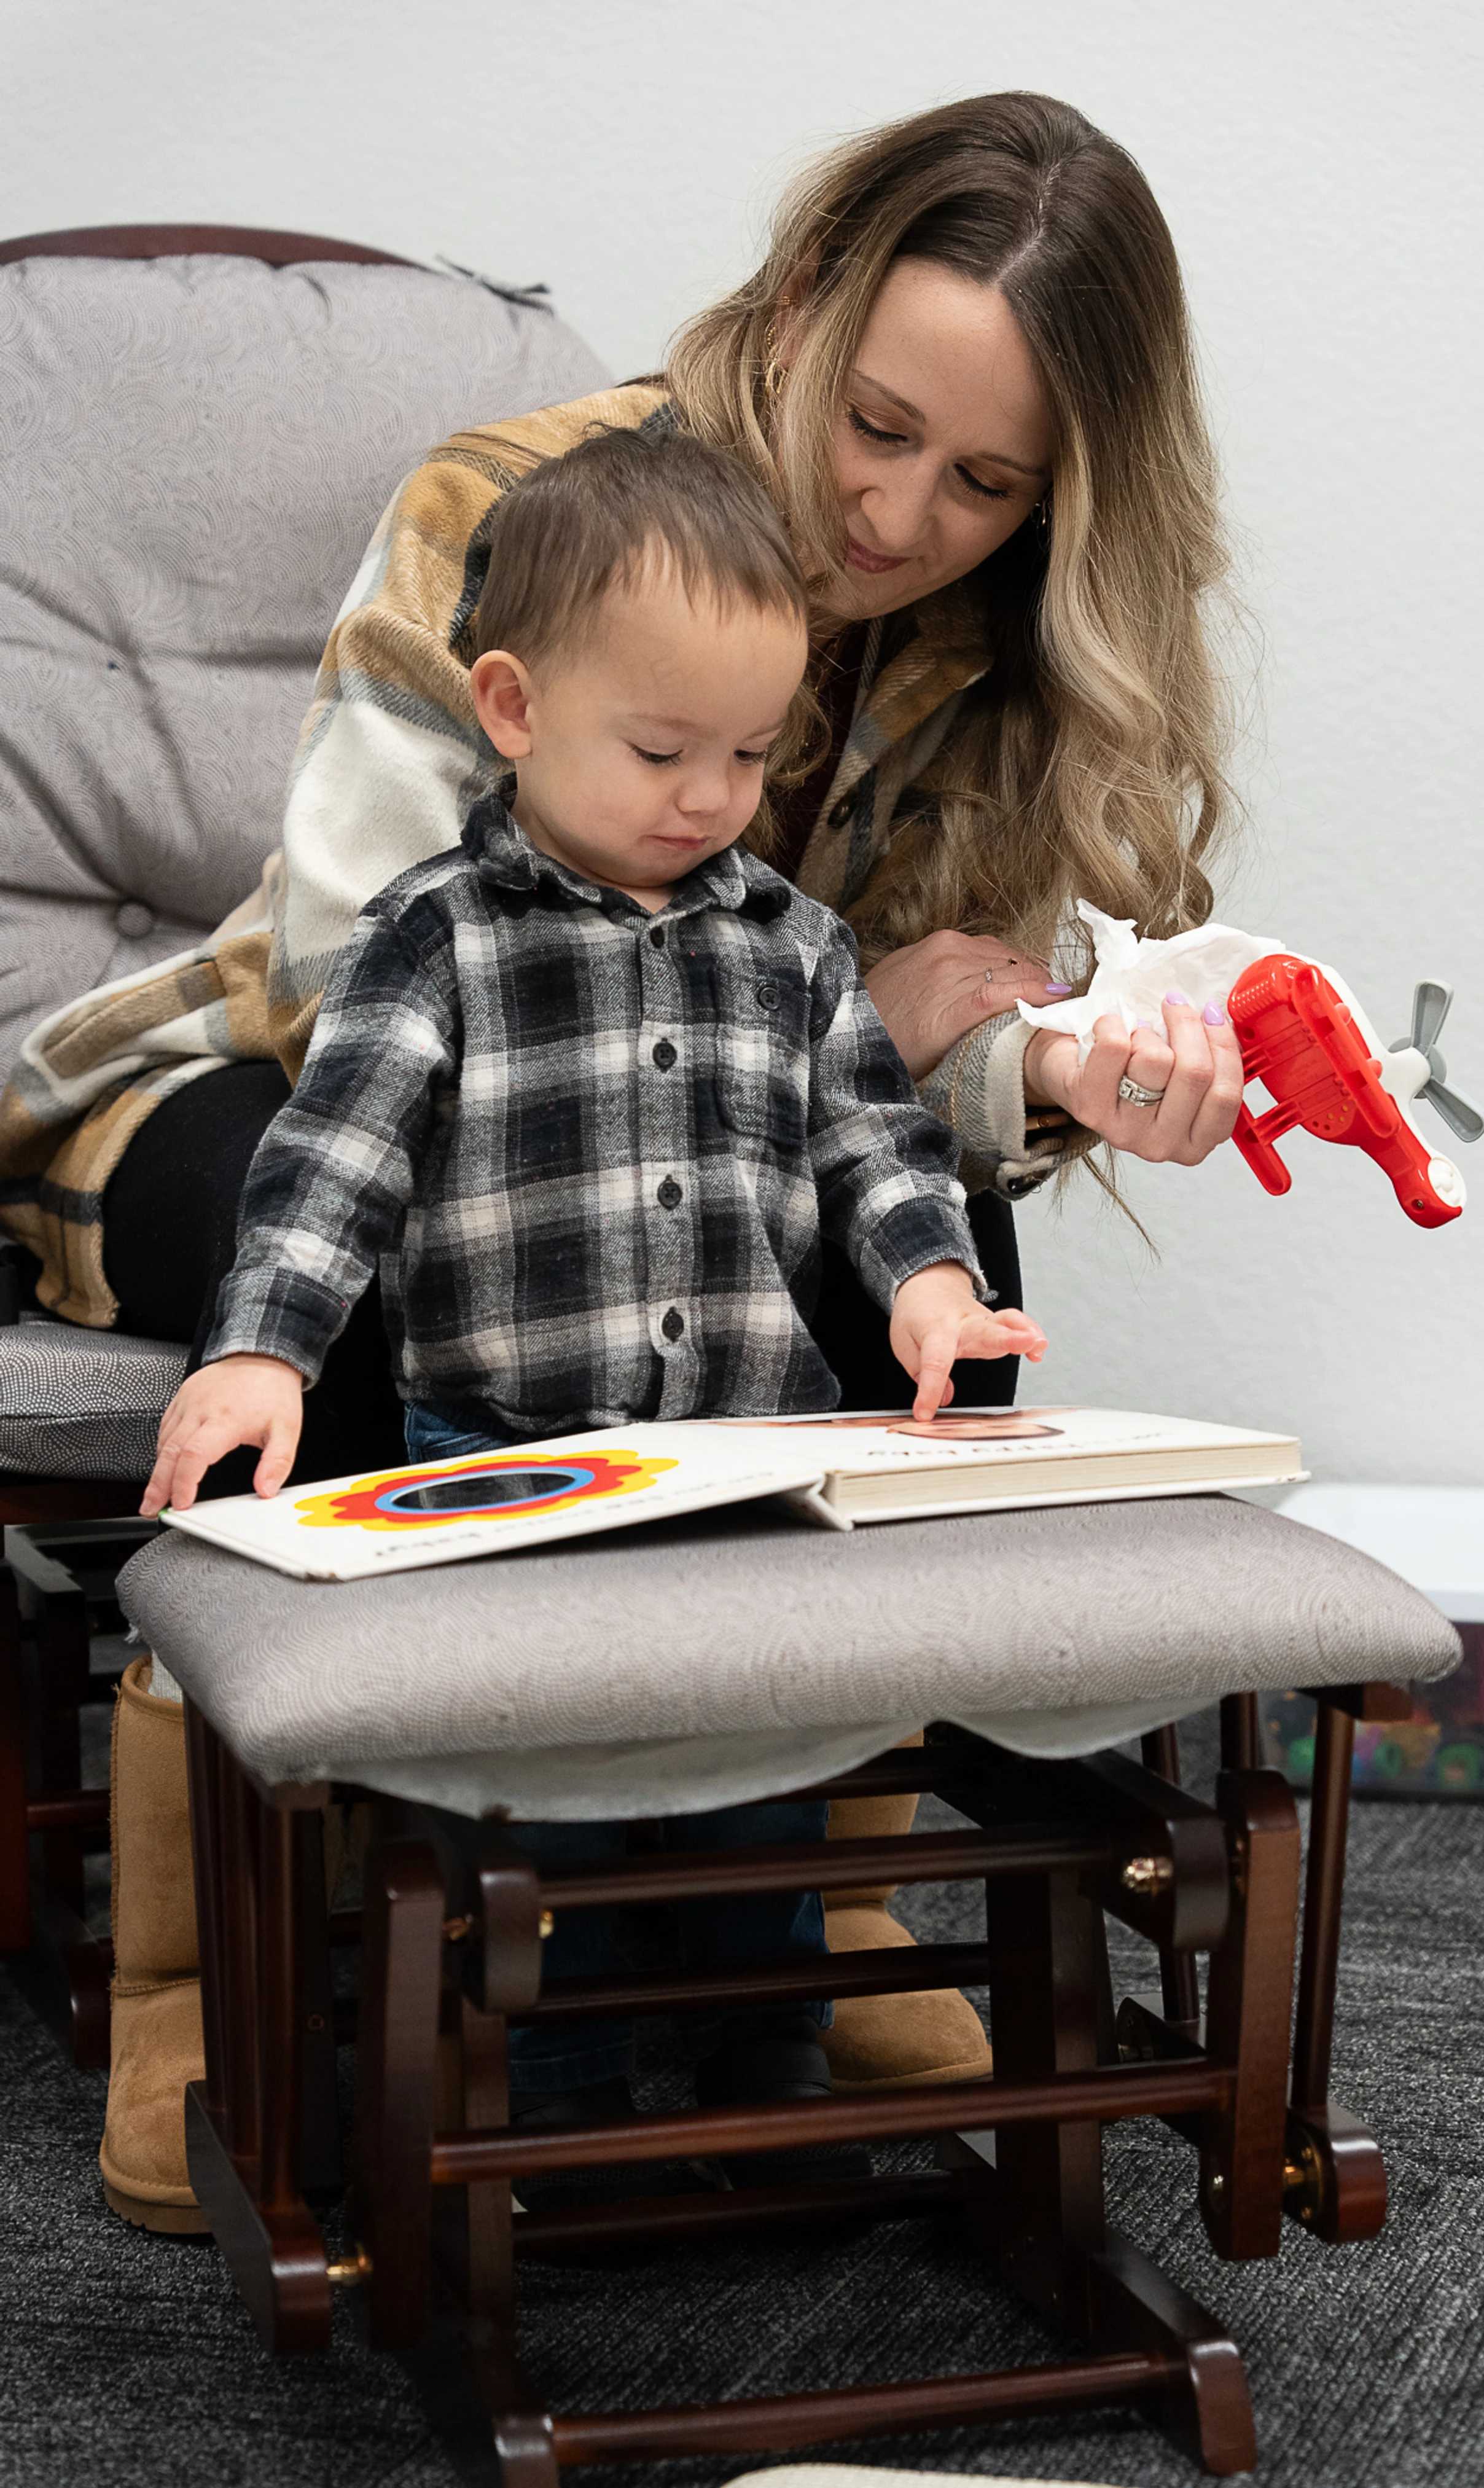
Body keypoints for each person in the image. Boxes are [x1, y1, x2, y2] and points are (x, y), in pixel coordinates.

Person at [0, 92, 1249, 2226]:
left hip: (652, 1158)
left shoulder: (987, 652)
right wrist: (866, 990)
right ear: (799, 300)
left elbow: (853, 1106)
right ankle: (205, 1973)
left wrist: (1029, 1082)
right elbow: (356, 977)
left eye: (983, 481)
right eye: (874, 421)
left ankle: (813, 1862)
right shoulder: (517, 503)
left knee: (932, 1279)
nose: (895, 509)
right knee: (334, 1279)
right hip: (277, 1086)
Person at [139, 424, 1044, 2163]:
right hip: (503, 1458)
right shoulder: (438, 935)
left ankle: (762, 2077)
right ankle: (534, 2112)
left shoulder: (785, 943)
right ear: (511, 705)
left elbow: (872, 1138)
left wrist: (927, 1285)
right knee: (537, 1804)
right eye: (658, 749)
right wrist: (259, 1353)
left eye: (749, 754)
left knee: (747, 1795)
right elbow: (333, 1161)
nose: (708, 795)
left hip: (742, 1472)